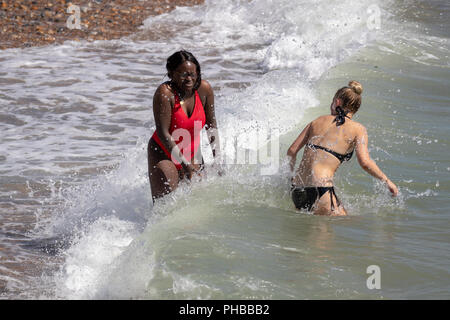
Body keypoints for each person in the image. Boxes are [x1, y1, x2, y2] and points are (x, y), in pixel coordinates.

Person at [287, 81, 398, 216]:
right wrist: (386, 181)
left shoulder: (317, 121)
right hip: (320, 188)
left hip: (297, 189)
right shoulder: (358, 129)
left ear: (337, 102)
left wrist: (289, 176)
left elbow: (292, 151)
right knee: (338, 228)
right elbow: (365, 162)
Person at [148, 50, 221, 201]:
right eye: (183, 75)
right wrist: (184, 164)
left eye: (192, 74)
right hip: (164, 152)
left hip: (192, 152)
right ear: (171, 74)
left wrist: (218, 158)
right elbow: (163, 133)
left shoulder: (204, 90)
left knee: (197, 204)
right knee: (166, 206)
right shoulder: (165, 93)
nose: (189, 79)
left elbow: (211, 124)